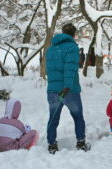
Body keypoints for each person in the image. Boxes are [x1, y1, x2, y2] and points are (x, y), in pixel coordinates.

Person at [46, 23, 90, 154]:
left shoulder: (50, 49)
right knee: (78, 116)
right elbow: (70, 69)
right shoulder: (72, 47)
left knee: (53, 118)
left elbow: (51, 70)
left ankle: (52, 144)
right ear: (74, 34)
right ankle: (81, 143)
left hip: (52, 89)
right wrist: (67, 87)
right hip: (69, 90)